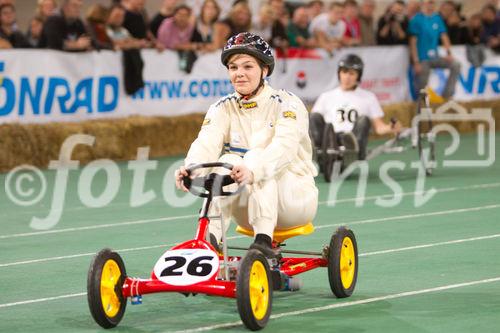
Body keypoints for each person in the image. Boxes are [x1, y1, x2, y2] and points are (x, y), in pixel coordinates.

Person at [175, 32, 318, 256]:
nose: (239, 74)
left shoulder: (288, 103)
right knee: (227, 162)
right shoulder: (222, 107)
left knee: (254, 158)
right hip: (247, 208)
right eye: (233, 68)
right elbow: (206, 141)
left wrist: (253, 170)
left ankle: (263, 242)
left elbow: (285, 148)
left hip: (294, 201)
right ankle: (210, 240)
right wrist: (191, 168)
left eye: (247, 67)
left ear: (265, 70)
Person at [310, 54, 400, 164]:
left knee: (363, 120)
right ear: (339, 73)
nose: (347, 77)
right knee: (314, 116)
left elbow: (379, 127)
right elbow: (314, 123)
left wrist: (390, 127)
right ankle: (319, 153)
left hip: (352, 139)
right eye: (344, 72)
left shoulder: (368, 97)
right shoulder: (326, 96)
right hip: (330, 139)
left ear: (358, 76)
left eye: (351, 73)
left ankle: (352, 153)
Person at [409, 0, 460, 100]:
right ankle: (421, 102)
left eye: (433, 2)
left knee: (456, 64)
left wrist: (449, 53)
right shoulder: (416, 20)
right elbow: (413, 42)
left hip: (435, 57)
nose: (431, 5)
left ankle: (447, 95)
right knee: (422, 85)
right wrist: (416, 62)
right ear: (422, 4)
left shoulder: (437, 18)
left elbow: (444, 36)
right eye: (428, 2)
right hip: (422, 58)